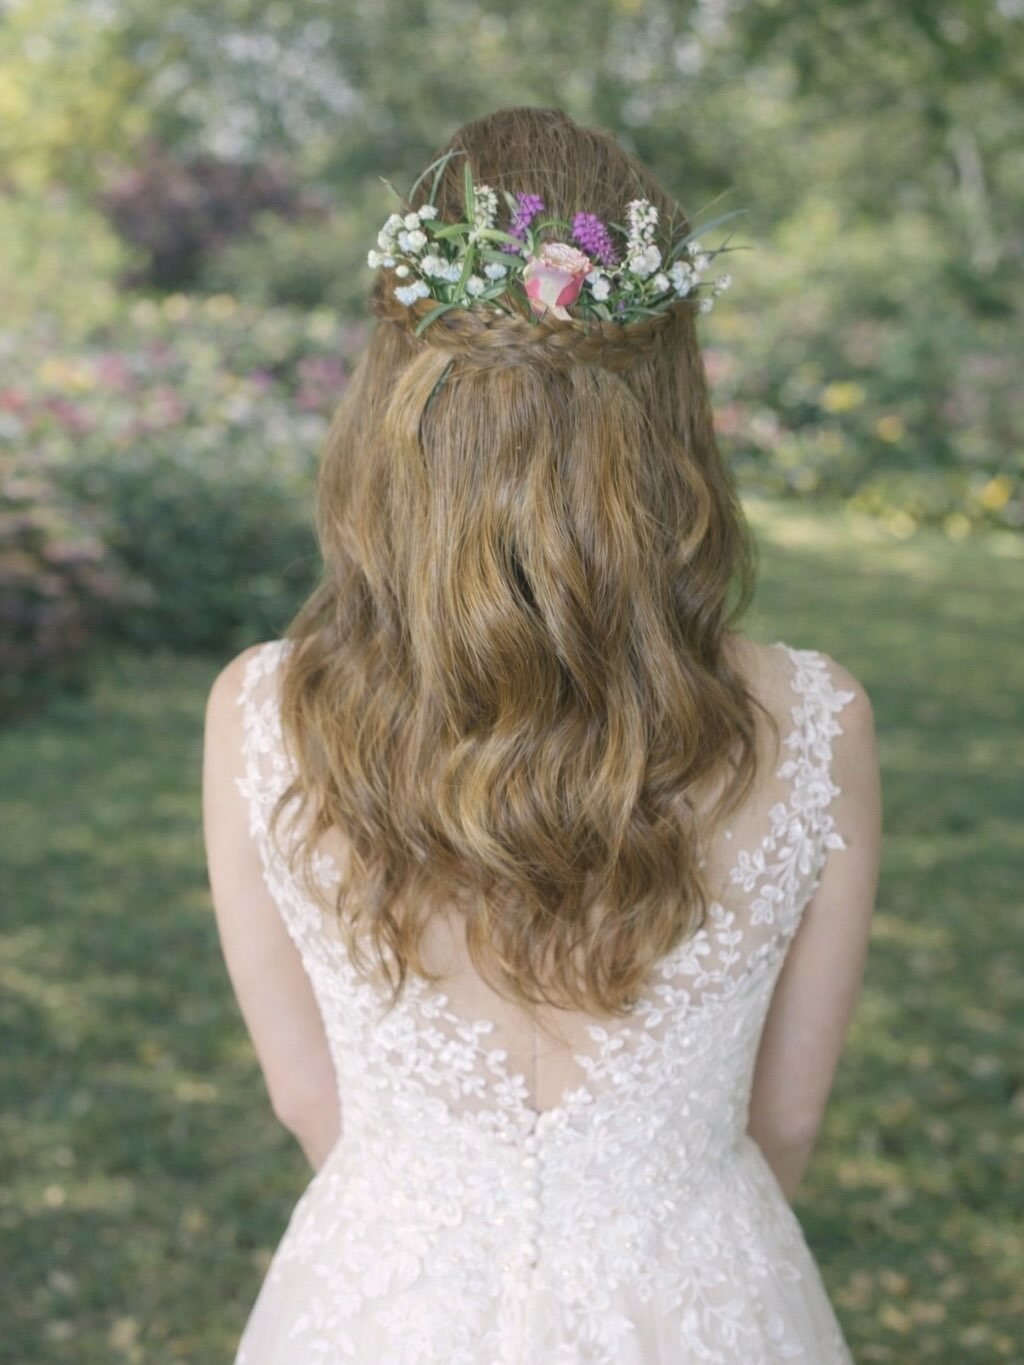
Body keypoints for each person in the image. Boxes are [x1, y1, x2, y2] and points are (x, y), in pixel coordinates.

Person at [202, 105, 882, 1365]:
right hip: (698, 1292)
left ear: (397, 393)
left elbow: (305, 1096)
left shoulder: (261, 711)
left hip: (383, 1297)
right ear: (671, 396)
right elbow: (786, 1118)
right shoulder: (817, 717)